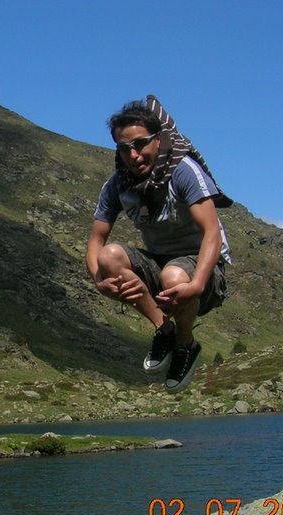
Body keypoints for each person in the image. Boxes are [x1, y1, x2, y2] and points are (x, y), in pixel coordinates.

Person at [86, 96, 231, 391]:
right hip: (158, 262)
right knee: (109, 257)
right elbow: (96, 239)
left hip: (203, 268)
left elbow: (211, 233)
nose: (133, 155)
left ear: (158, 140)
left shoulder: (182, 171)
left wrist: (198, 284)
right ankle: (163, 328)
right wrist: (99, 281)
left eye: (140, 144)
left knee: (173, 275)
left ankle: (185, 344)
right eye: (124, 148)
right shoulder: (117, 185)